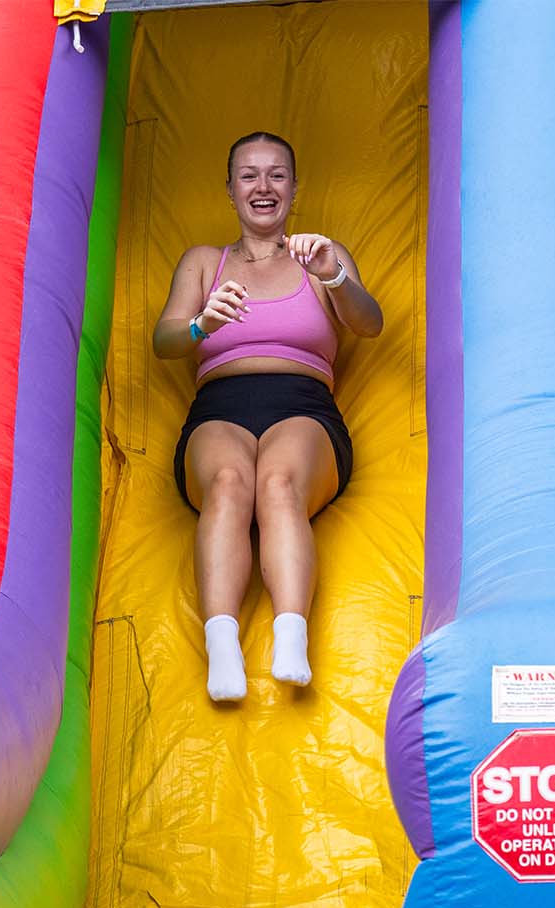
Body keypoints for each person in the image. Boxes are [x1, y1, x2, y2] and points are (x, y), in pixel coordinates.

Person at [152, 131, 384, 702]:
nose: (263, 186)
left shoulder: (320, 255)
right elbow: (165, 341)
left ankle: (289, 635)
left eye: (276, 174)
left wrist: (333, 274)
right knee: (231, 484)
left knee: (277, 483)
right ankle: (224, 646)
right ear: (230, 189)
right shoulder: (205, 262)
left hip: (303, 408)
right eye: (249, 175)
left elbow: (369, 322)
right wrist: (203, 324)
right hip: (219, 409)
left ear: (294, 188)